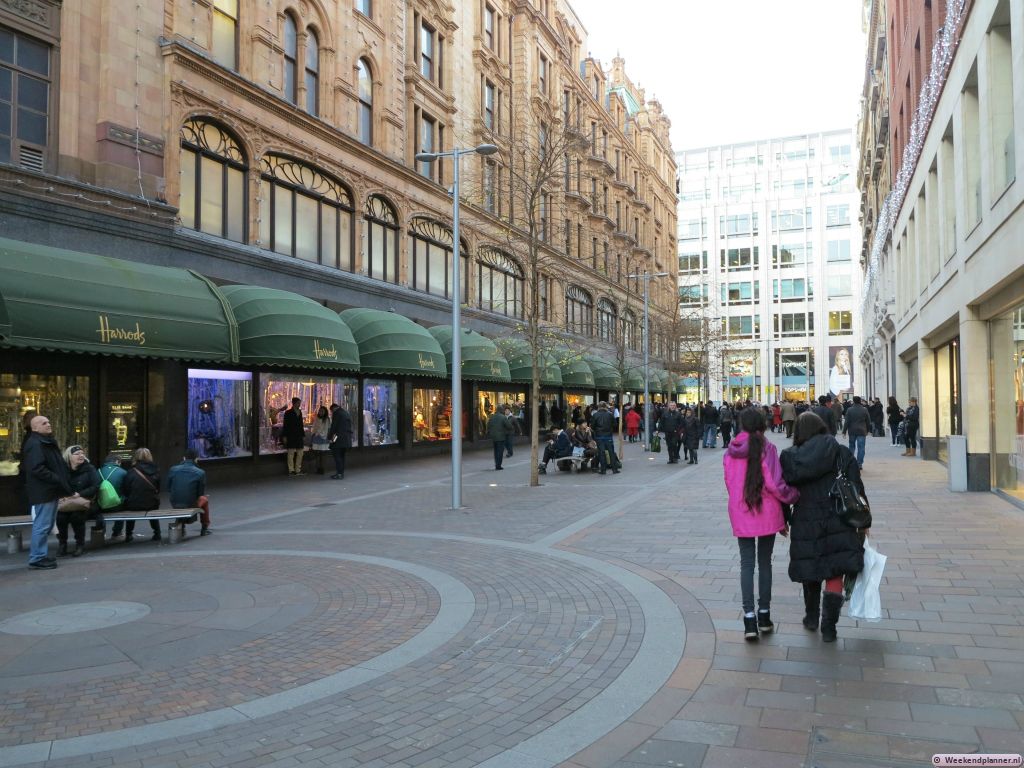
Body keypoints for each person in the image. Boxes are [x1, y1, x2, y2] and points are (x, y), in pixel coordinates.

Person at [781, 412, 866, 642]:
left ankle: (811, 617)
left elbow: (784, 492)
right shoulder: (840, 452)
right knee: (834, 570)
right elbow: (856, 488)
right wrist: (864, 522)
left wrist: (783, 518)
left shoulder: (790, 458)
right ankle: (829, 627)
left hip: (805, 521)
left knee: (811, 567)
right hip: (838, 519)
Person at [724, 408, 799, 640]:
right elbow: (776, 484)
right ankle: (764, 615)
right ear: (763, 424)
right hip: (766, 511)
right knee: (764, 562)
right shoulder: (767, 449)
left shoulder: (730, 452)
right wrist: (793, 496)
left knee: (746, 564)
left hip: (741, 510)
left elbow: (729, 483)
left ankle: (749, 619)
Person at [22, 415, 72, 569]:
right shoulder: (35, 444)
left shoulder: (44, 441)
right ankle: (37, 558)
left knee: (46, 524)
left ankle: (40, 556)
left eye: (49, 422)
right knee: (42, 525)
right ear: (35, 428)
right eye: (44, 423)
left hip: (49, 490)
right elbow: (37, 468)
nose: (49, 424)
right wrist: (56, 478)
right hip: (44, 490)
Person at [57, 445, 100, 557]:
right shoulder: (63, 470)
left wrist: (80, 494)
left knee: (76, 516)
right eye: (77, 454)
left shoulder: (89, 469)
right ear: (69, 457)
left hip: (86, 502)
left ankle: (79, 545)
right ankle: (62, 544)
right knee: (60, 517)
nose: (81, 456)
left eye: (82, 453)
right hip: (68, 502)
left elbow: (96, 486)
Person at [120, 447, 161, 542]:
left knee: (129, 507)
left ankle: (129, 534)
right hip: (152, 503)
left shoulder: (131, 472)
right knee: (153, 506)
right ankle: (157, 533)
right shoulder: (156, 470)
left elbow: (126, 490)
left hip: (133, 504)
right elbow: (158, 489)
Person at [167, 449, 211, 535]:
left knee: (183, 500)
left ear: (184, 458)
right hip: (191, 504)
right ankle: (204, 527)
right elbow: (200, 494)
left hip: (175, 503)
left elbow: (168, 488)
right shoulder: (200, 472)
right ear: (196, 459)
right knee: (204, 499)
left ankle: (181, 526)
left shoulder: (173, 469)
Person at [590, 401, 619, 475]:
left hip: (599, 436)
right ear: (606, 406)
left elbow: (592, 426)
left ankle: (603, 470)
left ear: (599, 407)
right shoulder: (610, 414)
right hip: (608, 436)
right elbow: (615, 424)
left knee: (601, 453)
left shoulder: (595, 415)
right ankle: (614, 469)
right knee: (611, 452)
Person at [842, 395, 871, 469]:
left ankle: (851, 462)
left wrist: (844, 431)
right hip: (862, 431)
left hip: (852, 431)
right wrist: (868, 430)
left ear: (854, 401)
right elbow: (868, 421)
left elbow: (847, 421)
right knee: (861, 448)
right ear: (860, 401)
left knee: (851, 446)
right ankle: (859, 464)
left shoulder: (849, 410)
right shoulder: (864, 409)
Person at [328, 402, 353, 479]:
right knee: (342, 456)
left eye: (331, 411)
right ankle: (341, 473)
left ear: (333, 409)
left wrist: (329, 437)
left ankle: (339, 473)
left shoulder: (337, 413)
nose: (332, 413)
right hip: (346, 439)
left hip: (338, 438)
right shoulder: (345, 413)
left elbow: (334, 426)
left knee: (337, 455)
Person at [282, 397, 306, 475]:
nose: (299, 404)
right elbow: (285, 425)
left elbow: (301, 424)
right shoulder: (288, 412)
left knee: (300, 452)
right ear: (294, 403)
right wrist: (285, 436)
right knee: (291, 453)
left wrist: (303, 435)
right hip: (291, 434)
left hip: (299, 435)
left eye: (299, 403)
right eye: (298, 403)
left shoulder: (300, 412)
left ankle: (298, 469)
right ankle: (291, 470)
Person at [486, 406, 514, 470]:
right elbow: (509, 426)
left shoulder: (492, 417)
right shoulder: (503, 417)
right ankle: (498, 465)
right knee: (500, 451)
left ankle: (496, 464)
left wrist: (490, 432)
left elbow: (488, 425)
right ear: (501, 410)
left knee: (496, 451)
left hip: (494, 437)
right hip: (501, 437)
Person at [310, 405, 332, 475]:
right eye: (320, 411)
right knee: (317, 454)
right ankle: (317, 468)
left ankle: (322, 468)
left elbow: (329, 429)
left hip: (324, 438)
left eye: (322, 411)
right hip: (316, 437)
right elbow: (314, 428)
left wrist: (329, 438)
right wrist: (313, 436)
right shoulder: (316, 418)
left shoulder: (328, 419)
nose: (321, 412)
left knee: (323, 454)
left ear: (325, 412)